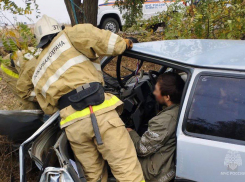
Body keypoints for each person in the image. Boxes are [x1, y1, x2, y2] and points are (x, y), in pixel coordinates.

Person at [29, 15, 144, 182]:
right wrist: (124, 43)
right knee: (127, 170)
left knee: (93, 176)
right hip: (98, 112)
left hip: (74, 127)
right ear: (58, 28)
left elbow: (48, 108)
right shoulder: (69, 34)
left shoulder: (38, 70)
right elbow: (103, 40)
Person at [127, 72, 185, 182]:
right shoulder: (178, 108)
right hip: (167, 162)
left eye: (156, 90)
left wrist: (130, 132)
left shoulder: (163, 121)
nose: (153, 92)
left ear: (167, 97)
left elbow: (142, 149)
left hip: (156, 173)